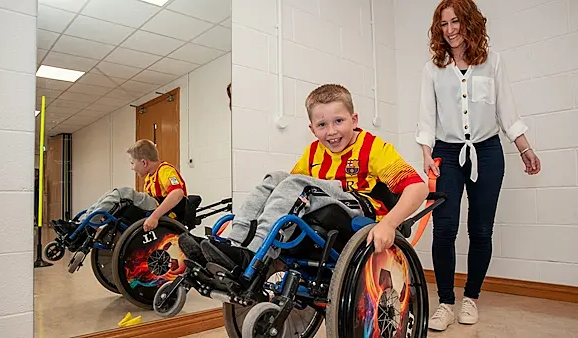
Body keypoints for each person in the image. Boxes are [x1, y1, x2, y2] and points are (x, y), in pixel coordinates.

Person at [179, 84, 429, 275]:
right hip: (325, 203)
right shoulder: (312, 152)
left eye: (339, 121)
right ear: (312, 128)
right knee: (276, 178)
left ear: (354, 120)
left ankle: (252, 253)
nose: (331, 131)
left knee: (294, 183)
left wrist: (389, 225)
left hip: (361, 211)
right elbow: (285, 191)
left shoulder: (373, 148)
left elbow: (418, 187)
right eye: (322, 124)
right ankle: (233, 245)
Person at [415, 0, 541, 331]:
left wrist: (524, 147)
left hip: (487, 152)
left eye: (456, 21)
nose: (450, 29)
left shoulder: (493, 63)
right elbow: (427, 119)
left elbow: (507, 113)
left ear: (470, 22)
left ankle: (471, 298)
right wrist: (427, 152)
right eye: (443, 24)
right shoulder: (433, 69)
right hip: (446, 153)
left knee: (481, 229)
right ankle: (445, 302)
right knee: (444, 229)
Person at [126, 139, 188, 232]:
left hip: (170, 217)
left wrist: (154, 217)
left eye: (132, 163)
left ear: (144, 163)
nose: (132, 168)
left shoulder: (165, 171)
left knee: (124, 193)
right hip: (155, 211)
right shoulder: (149, 179)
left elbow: (177, 192)